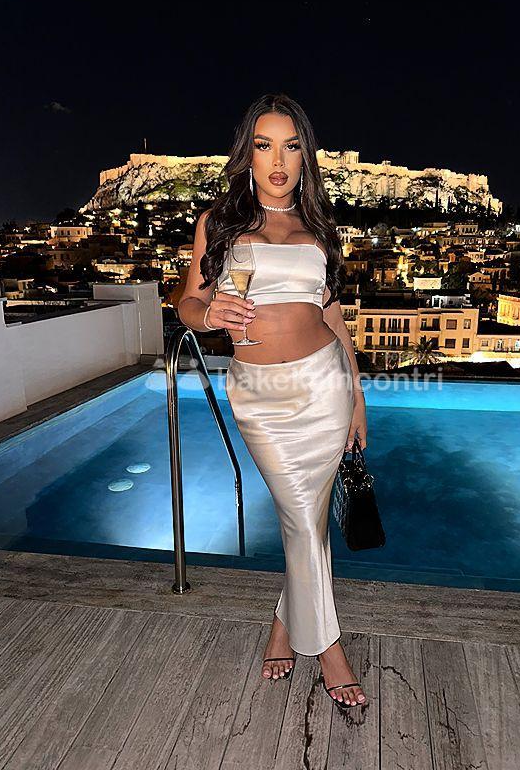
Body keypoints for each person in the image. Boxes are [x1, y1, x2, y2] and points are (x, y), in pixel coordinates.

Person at [178, 93, 367, 708]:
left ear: (306, 156)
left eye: (291, 146)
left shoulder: (320, 230)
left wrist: (357, 397)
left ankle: (288, 627)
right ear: (248, 154)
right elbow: (187, 302)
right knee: (301, 517)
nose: (278, 161)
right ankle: (328, 647)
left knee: (307, 521)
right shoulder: (219, 223)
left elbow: (333, 318)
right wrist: (208, 313)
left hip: (324, 384)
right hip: (260, 396)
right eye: (264, 146)